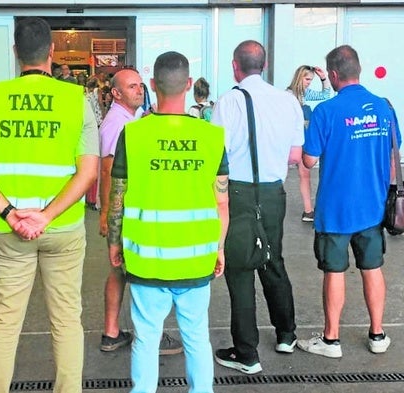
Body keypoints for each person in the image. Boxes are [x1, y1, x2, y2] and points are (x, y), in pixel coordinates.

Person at [0, 17, 99, 393]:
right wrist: (47, 216)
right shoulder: (76, 100)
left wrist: (10, 213)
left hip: (9, 230)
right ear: (52, 53)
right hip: (63, 228)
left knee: (5, 323)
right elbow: (87, 173)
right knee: (67, 320)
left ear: (15, 52)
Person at [108, 51, 229, 393]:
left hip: (147, 258)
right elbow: (222, 201)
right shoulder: (211, 136)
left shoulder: (133, 135)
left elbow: (117, 196)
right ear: (189, 85)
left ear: (151, 86)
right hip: (196, 257)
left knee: (146, 339)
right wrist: (219, 248)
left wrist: (114, 244)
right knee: (196, 337)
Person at [297, 45, 396, 358]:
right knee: (373, 268)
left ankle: (331, 340)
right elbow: (394, 157)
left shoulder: (326, 111)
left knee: (334, 272)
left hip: (336, 210)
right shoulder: (384, 107)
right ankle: (378, 335)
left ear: (334, 75)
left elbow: (309, 161)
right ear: (360, 70)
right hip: (373, 208)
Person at [211, 40, 303, 374]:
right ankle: (286, 335)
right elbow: (295, 157)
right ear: (263, 65)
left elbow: (216, 157)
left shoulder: (230, 101)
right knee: (271, 258)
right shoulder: (288, 101)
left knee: (239, 268)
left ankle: (246, 352)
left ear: (236, 65)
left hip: (240, 191)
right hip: (274, 192)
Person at [98, 68, 183, 356]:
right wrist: (109, 215)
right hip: (126, 213)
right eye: (131, 87)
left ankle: (111, 332)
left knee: (119, 271)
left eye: (140, 85)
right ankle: (148, 334)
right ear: (116, 93)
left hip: (130, 210)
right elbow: (109, 170)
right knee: (134, 271)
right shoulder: (116, 125)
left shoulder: (132, 120)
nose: (139, 90)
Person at [287, 65, 331, 222]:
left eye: (311, 80)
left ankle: (309, 210)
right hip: (295, 138)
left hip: (305, 137)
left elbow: (326, 94)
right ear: (299, 77)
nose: (309, 83)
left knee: (305, 172)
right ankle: (307, 209)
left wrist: (323, 78)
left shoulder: (305, 93)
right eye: (307, 79)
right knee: (300, 173)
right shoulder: (288, 95)